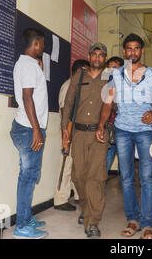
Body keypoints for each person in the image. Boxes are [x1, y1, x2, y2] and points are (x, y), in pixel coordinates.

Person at [96, 33, 152, 239]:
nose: (132, 52)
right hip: (123, 130)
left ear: (141, 51)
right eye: (129, 49)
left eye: (136, 48)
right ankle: (133, 220)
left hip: (145, 131)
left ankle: (148, 223)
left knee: (146, 178)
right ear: (124, 52)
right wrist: (101, 125)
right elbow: (108, 103)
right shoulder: (115, 75)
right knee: (126, 178)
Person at [61, 43, 109, 238]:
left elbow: (113, 107)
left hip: (99, 134)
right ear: (89, 56)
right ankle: (87, 208)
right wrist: (65, 131)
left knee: (95, 179)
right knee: (78, 176)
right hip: (78, 134)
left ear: (105, 58)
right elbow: (68, 104)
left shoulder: (110, 80)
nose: (97, 57)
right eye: (94, 54)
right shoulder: (78, 77)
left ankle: (92, 221)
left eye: (101, 55)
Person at [10, 28, 48, 239]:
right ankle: (22, 226)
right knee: (28, 177)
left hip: (27, 127)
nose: (43, 48)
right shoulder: (27, 65)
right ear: (36, 44)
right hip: (28, 128)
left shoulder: (30, 64)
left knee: (29, 175)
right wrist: (36, 129)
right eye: (41, 44)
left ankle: (26, 217)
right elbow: (27, 98)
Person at [54, 59, 89, 212]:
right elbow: (65, 112)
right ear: (78, 72)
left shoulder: (79, 86)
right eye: (85, 71)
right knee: (66, 165)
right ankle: (60, 199)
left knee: (77, 166)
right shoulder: (68, 86)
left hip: (78, 132)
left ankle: (77, 195)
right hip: (69, 132)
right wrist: (67, 136)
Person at [105, 57, 124, 173]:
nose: (112, 71)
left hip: (123, 128)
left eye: (115, 68)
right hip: (109, 128)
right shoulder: (105, 85)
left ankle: (125, 187)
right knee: (106, 158)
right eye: (109, 68)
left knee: (124, 161)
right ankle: (100, 187)